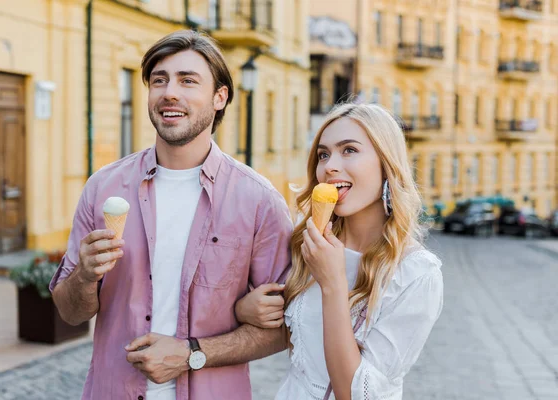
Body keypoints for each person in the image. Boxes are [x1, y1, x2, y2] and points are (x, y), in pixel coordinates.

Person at [49, 30, 292, 400]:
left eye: (188, 81)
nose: (170, 92)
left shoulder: (259, 202)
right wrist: (83, 276)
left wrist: (192, 354)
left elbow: (286, 328)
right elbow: (70, 313)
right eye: (158, 80)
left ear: (219, 97)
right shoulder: (103, 188)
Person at [235, 102, 444, 400]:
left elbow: (353, 393)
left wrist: (332, 282)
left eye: (349, 150)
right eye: (323, 154)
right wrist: (244, 309)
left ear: (386, 163)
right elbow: (299, 337)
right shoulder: (307, 240)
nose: (330, 166)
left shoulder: (416, 274)